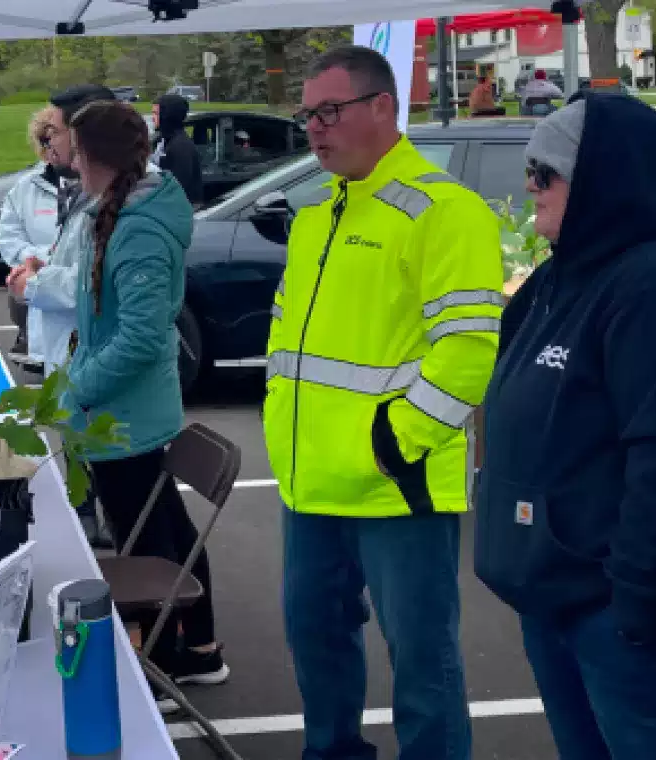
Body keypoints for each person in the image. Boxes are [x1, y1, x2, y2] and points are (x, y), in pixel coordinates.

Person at [265, 46, 505, 760]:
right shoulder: (315, 217)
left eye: (329, 112)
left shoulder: (443, 213)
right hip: (310, 484)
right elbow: (287, 344)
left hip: (395, 491)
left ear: (383, 108)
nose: (314, 128)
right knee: (316, 642)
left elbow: (467, 353)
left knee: (422, 666)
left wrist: (393, 443)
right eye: (307, 114)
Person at [470, 95, 656, 760]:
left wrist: (633, 601)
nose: (529, 187)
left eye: (545, 174)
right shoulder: (564, 271)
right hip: (554, 596)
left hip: (610, 611)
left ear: (603, 179)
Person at [54, 99, 228, 708]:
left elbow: (142, 336)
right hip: (123, 412)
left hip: (125, 419)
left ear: (91, 156)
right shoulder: (120, 213)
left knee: (146, 538)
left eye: (73, 151)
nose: (69, 163)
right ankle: (199, 649)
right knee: (166, 527)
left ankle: (165, 654)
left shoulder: (140, 228)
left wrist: (78, 389)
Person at [8, 83, 117, 374]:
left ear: (82, 134)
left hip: (97, 381)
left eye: (54, 133)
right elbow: (80, 265)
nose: (49, 144)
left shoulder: (125, 200)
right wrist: (44, 266)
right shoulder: (90, 191)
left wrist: (33, 284)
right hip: (75, 368)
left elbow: (101, 287)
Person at [0, 107, 63, 363]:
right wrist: (35, 259)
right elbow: (8, 238)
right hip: (41, 299)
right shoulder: (25, 189)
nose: (51, 147)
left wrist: (50, 260)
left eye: (55, 137)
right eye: (45, 140)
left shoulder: (92, 185)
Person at [149, 92, 203, 207]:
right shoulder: (165, 140)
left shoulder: (180, 146)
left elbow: (178, 186)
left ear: (167, 115)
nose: (152, 118)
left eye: (155, 113)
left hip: (180, 209)